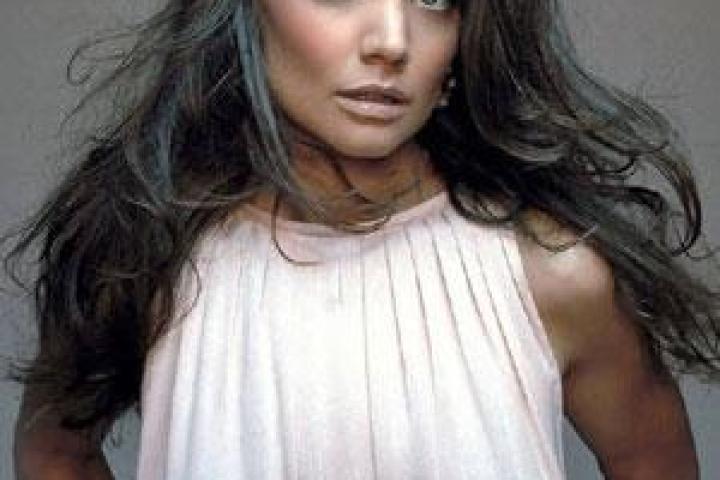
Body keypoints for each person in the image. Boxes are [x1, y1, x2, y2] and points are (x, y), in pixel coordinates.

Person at [7, 0, 720, 478]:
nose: (392, 41)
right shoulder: (146, 259)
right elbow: (53, 452)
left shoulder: (552, 275)